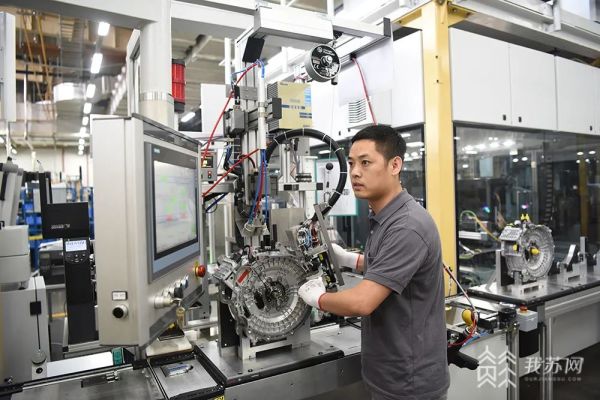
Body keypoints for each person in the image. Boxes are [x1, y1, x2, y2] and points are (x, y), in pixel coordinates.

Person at [298, 125, 449, 400]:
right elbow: (389, 265)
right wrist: (351, 260)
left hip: (409, 384)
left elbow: (362, 303)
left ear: (395, 165)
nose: (355, 172)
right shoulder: (385, 217)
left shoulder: (407, 226)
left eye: (366, 163)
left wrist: (317, 298)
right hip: (389, 375)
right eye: (352, 163)